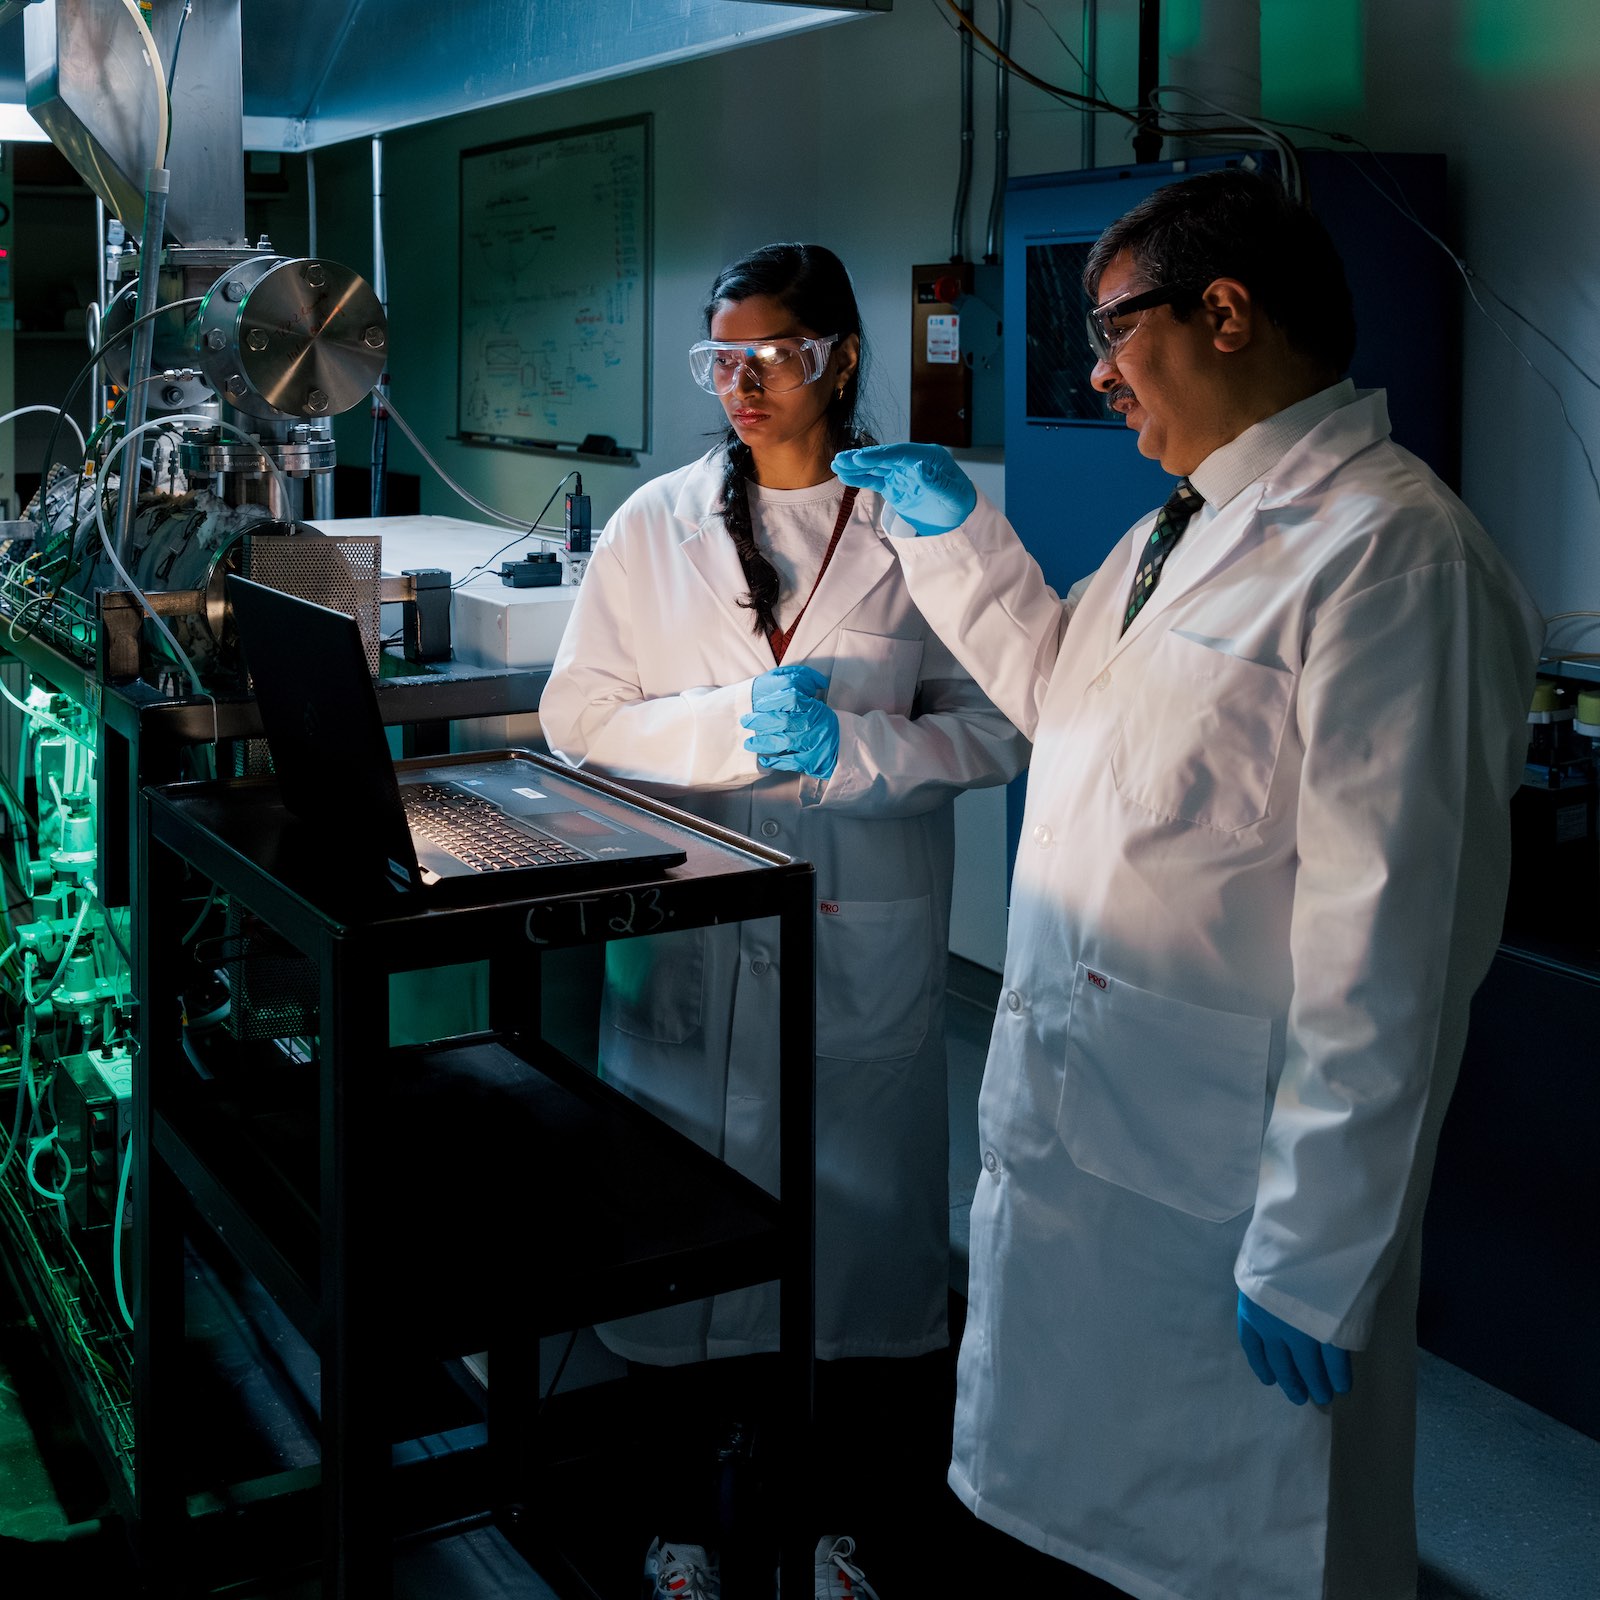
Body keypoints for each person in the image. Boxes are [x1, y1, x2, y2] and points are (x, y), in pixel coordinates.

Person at [833, 169, 1544, 1600]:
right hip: (1100, 1130)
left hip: (1230, 1196)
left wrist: (1317, 1251)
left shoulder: (1388, 554)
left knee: (1237, 1552)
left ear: (1225, 312)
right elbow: (1065, 692)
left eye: (1113, 330)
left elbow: (1392, 944)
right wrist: (954, 534)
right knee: (1084, 1526)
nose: (1096, 373)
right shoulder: (1183, 530)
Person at [539, 241, 1028, 1598]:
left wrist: (853, 755)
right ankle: (680, 1532)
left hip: (855, 932)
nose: (743, 385)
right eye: (723, 359)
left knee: (852, 1262)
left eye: (775, 356)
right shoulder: (658, 523)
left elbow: (999, 726)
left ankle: (835, 1531)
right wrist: (725, 727)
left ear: (842, 357)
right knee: (679, 1250)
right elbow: (578, 715)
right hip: (693, 933)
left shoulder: (918, 532)